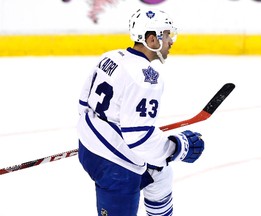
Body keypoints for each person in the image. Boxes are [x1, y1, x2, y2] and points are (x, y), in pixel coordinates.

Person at [77, 8, 205, 216]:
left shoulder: (110, 57)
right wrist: (178, 147)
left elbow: (84, 104)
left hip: (90, 146)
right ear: (151, 39)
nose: (171, 41)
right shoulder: (147, 78)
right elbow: (138, 139)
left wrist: (96, 136)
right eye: (166, 35)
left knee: (160, 175)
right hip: (115, 168)